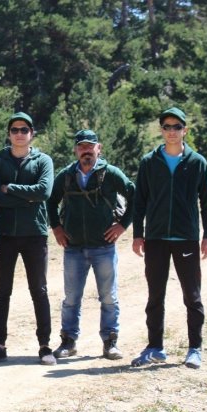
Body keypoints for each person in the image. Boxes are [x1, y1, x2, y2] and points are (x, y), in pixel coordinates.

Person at [130, 107, 207, 369]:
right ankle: (155, 347)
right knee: (155, 295)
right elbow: (139, 201)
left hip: (186, 238)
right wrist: (137, 234)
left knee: (192, 295)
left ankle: (195, 348)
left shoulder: (197, 162)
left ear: (184, 130)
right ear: (161, 130)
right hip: (155, 238)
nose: (171, 131)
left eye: (176, 127)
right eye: (166, 126)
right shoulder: (149, 161)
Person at [46, 130, 135, 361]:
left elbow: (136, 196)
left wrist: (123, 226)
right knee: (71, 298)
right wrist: (56, 228)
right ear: (76, 150)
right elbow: (50, 201)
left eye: (90, 146)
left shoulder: (111, 173)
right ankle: (68, 342)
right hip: (73, 248)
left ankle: (110, 343)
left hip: (104, 247)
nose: (86, 151)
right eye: (82, 147)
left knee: (108, 297)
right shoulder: (66, 175)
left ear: (99, 148)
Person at [0, 112, 57, 366]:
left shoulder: (43, 160)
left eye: (24, 129)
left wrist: (11, 188)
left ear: (31, 133)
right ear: (9, 133)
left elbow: (44, 192)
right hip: (4, 235)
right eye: (14, 129)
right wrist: (26, 196)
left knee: (39, 290)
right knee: (2, 291)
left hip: (35, 233)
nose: (19, 134)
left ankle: (45, 345)